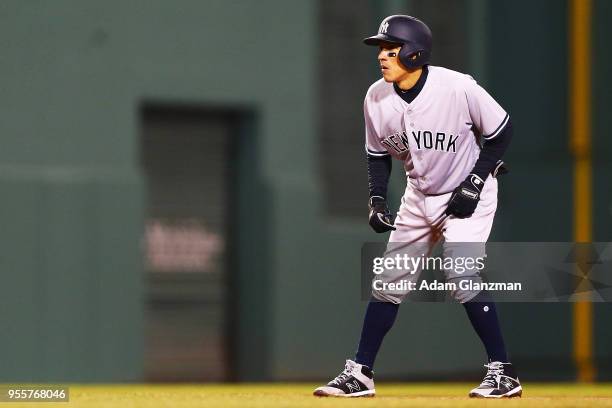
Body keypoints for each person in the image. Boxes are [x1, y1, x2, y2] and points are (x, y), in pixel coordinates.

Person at [313, 15, 522, 399]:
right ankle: (360, 374)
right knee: (389, 280)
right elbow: (377, 155)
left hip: (469, 192)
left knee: (462, 276)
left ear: (414, 52)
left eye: (390, 48)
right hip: (418, 195)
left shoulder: (457, 87)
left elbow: (501, 131)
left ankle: (503, 372)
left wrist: (474, 183)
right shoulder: (376, 97)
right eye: (380, 48)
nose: (382, 56)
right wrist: (377, 199)